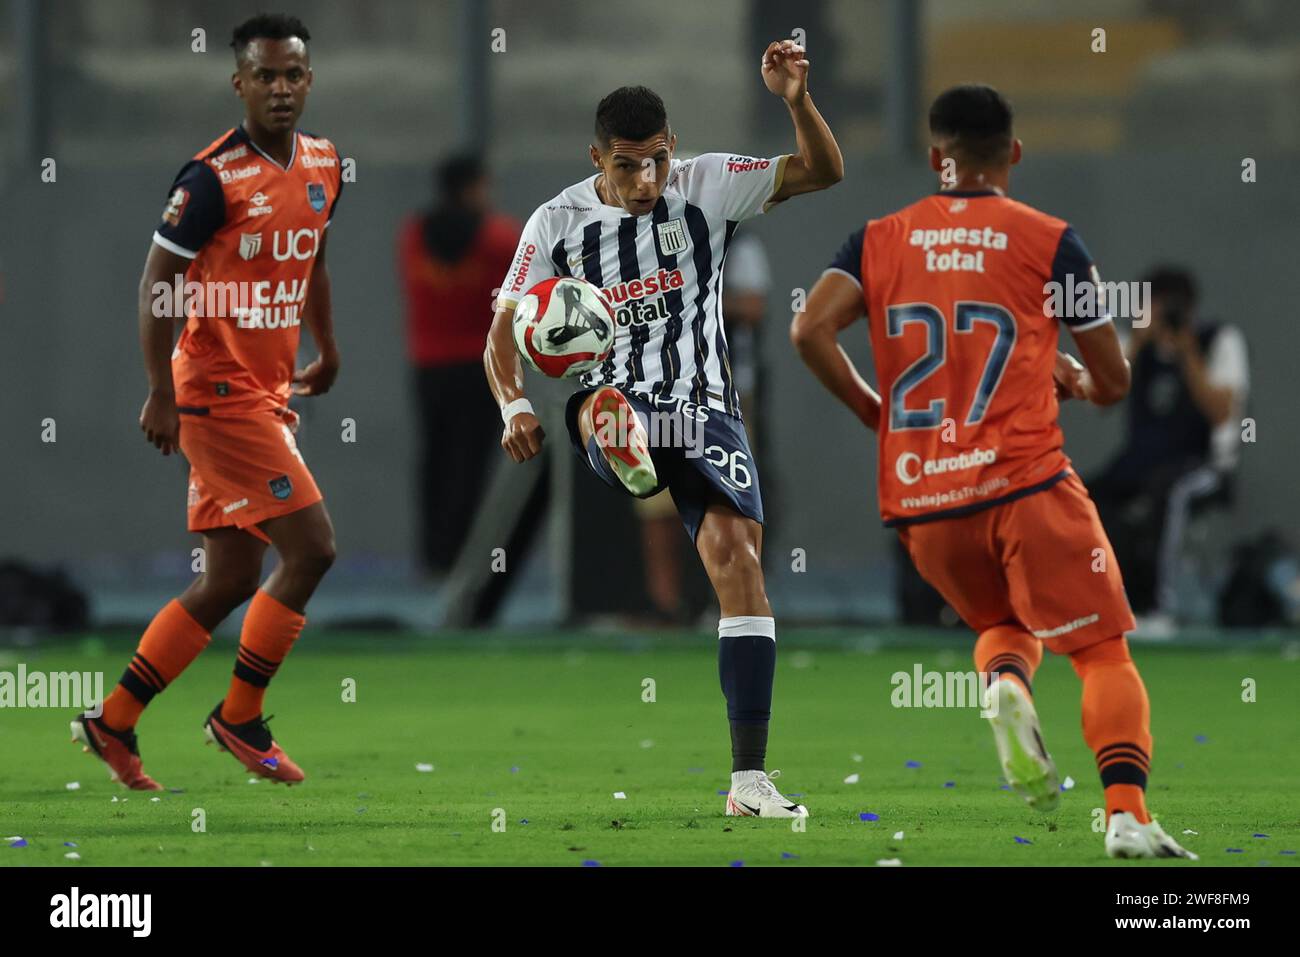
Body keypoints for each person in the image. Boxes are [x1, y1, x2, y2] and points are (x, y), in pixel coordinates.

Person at [792, 84, 1196, 858]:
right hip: (1024, 480)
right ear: (1012, 153)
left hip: (924, 498)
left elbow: (809, 328)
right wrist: (1075, 379)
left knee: (1004, 624)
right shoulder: (1049, 240)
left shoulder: (877, 240)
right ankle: (1126, 816)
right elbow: (1114, 383)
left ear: (936, 157)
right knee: (1101, 649)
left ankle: (1005, 683)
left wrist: (876, 413)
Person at [483, 40, 843, 818]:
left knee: (739, 562)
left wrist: (795, 100)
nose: (644, 180)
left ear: (671, 148)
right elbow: (502, 329)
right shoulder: (556, 223)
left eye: (655, 161)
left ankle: (748, 782)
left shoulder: (708, 184)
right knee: (607, 411)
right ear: (597, 158)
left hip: (708, 407)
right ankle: (618, 439)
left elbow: (824, 171)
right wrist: (514, 402)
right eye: (625, 165)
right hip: (617, 396)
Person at [72, 14, 343, 789]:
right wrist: (160, 389)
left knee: (228, 576)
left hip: (265, 388)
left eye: (293, 74)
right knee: (313, 547)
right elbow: (157, 282)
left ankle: (112, 719)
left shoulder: (326, 162)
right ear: (240, 83)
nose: (281, 88)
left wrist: (328, 348)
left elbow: (314, 257)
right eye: (265, 75)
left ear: (309, 79)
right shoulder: (210, 179)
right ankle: (239, 716)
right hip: (216, 392)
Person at [1089, 266, 1248, 626]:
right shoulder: (1135, 345)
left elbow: (1222, 412)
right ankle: (1109, 605)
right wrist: (1137, 344)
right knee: (1086, 498)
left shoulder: (1218, 341)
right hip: (1142, 462)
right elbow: (1100, 400)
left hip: (1202, 464)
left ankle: (1162, 608)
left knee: (1169, 493)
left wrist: (1188, 352)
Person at [398, 155, 520, 575]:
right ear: (472, 188)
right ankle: (463, 559)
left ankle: (433, 556)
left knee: (434, 461)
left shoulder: (414, 236)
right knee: (470, 466)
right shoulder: (499, 239)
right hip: (479, 367)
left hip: (428, 365)